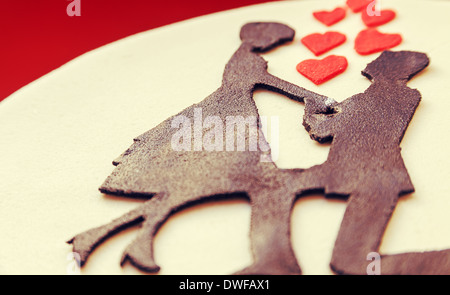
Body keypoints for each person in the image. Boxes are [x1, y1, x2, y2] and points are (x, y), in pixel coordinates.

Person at [68, 22, 332, 274]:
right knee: (213, 184)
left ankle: (112, 239)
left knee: (182, 191)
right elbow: (269, 83)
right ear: (260, 37)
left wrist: (311, 97)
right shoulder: (247, 58)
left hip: (230, 115)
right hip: (228, 119)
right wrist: (315, 97)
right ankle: (115, 240)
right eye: (273, 38)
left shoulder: (247, 55)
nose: (273, 42)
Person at [301, 51, 450, 274]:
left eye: (380, 61)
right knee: (352, 259)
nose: (372, 63)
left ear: (390, 69)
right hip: (377, 175)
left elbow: (323, 130)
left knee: (351, 262)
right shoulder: (404, 96)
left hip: (370, 179)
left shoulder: (371, 98)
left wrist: (310, 108)